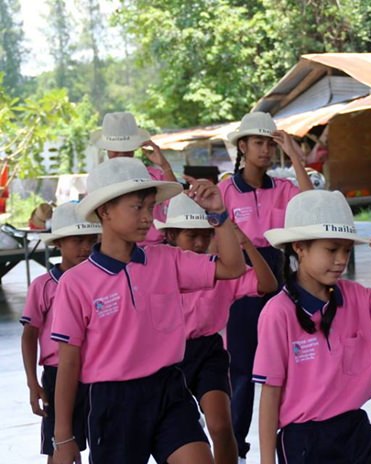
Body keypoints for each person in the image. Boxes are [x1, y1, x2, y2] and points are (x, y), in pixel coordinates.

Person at [50, 157, 247, 464]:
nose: (147, 218)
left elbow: (233, 268)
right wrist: (63, 436)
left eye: (151, 207)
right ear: (105, 211)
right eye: (137, 207)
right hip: (112, 401)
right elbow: (68, 363)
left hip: (168, 388)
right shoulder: (76, 283)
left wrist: (218, 216)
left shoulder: (167, 260)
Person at [252, 189, 371, 464]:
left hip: (355, 431)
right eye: (332, 249)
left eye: (346, 250)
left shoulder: (358, 297)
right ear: (299, 246)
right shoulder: (278, 313)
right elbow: (270, 392)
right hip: (304, 441)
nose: (341, 260)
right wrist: (266, 462)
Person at [155, 193, 278, 464]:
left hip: (208, 351)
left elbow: (267, 285)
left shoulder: (221, 270)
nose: (200, 243)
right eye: (191, 236)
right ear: (172, 235)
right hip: (168, 357)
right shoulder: (159, 268)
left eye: (206, 235)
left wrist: (244, 242)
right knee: (175, 431)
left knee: (222, 427)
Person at [218, 111, 313, 462]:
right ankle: (236, 449)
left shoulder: (283, 188)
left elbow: (311, 205)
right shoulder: (225, 190)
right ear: (242, 146)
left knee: (286, 367)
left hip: (281, 282)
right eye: (258, 142)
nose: (265, 150)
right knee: (241, 371)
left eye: (269, 144)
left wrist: (295, 156)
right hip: (242, 287)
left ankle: (288, 443)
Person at [20, 202, 101, 463]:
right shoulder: (43, 286)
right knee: (62, 447)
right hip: (59, 376)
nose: (86, 248)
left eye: (91, 240)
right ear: (59, 243)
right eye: (78, 240)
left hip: (99, 372)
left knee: (107, 442)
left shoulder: (101, 282)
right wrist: (33, 383)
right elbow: (29, 335)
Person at [90, 111, 176, 246]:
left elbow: (176, 203)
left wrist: (165, 165)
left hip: (155, 249)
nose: (122, 153)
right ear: (106, 149)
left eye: (127, 149)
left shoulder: (152, 176)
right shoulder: (100, 178)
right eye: (115, 149)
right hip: (116, 249)